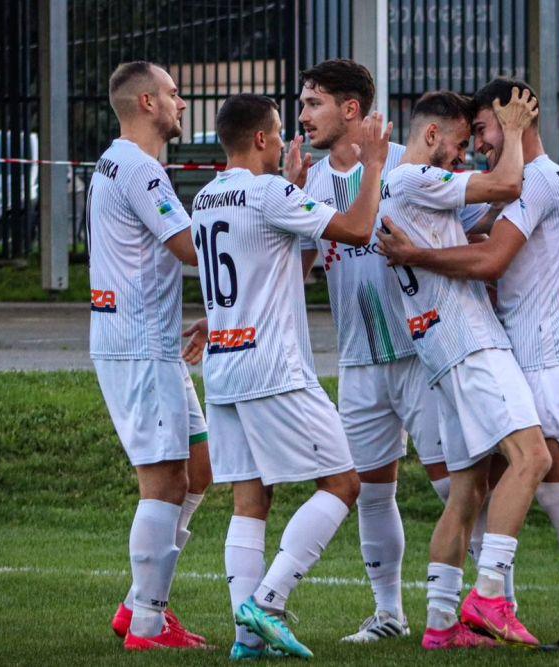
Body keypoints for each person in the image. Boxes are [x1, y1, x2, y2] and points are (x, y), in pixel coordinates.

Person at [378, 77, 559, 652]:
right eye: (471, 135)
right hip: (494, 348)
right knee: (478, 488)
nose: (479, 145)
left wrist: (421, 256)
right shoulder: (520, 183)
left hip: (534, 353)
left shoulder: (532, 180)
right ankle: (456, 619)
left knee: (552, 485)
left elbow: (497, 260)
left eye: (485, 129)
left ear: (516, 120)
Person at [191, 93, 391, 660]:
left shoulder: (204, 198)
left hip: (223, 366)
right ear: (261, 139)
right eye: (279, 132)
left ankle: (246, 640)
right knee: (344, 483)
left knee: (251, 500)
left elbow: (268, 256)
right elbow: (358, 229)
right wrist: (375, 165)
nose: (285, 141)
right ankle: (268, 600)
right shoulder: (268, 193)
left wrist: (293, 187)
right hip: (273, 367)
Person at [290, 58, 483, 643]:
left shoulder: (406, 162)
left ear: (351, 109)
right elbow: (296, 268)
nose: (303, 116)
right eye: (303, 104)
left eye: (313, 104)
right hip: (358, 361)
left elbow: (479, 218)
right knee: (373, 492)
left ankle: (493, 602)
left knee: (453, 485)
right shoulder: (312, 182)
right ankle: (389, 615)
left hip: (423, 354)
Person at [375, 89, 548, 651]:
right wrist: (514, 129)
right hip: (468, 341)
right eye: (457, 144)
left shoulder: (410, 190)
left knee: (468, 491)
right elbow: (507, 186)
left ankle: (441, 623)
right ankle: (490, 595)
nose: (463, 155)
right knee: (532, 457)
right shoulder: (412, 179)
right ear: (430, 136)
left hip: (439, 350)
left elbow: (487, 213)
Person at [86, 61, 212, 652]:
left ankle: (139, 603)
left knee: (200, 468)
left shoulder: (118, 162)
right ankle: (148, 626)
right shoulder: (140, 168)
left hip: (151, 343)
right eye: (172, 93)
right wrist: (259, 219)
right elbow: (190, 247)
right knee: (163, 482)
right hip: (139, 346)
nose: (180, 103)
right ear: (146, 102)